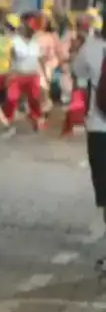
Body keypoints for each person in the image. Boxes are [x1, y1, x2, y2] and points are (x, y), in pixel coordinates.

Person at [72, 20, 106, 254]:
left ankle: (100, 219)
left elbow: (78, 72)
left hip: (99, 122)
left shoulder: (91, 47)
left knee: (101, 175)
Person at [6, 12, 49, 133]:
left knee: (35, 99)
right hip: (17, 75)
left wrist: (44, 75)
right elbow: (9, 58)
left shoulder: (36, 43)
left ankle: (36, 119)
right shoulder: (14, 41)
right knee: (12, 99)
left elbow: (40, 60)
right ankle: (7, 121)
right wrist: (8, 73)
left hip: (32, 75)